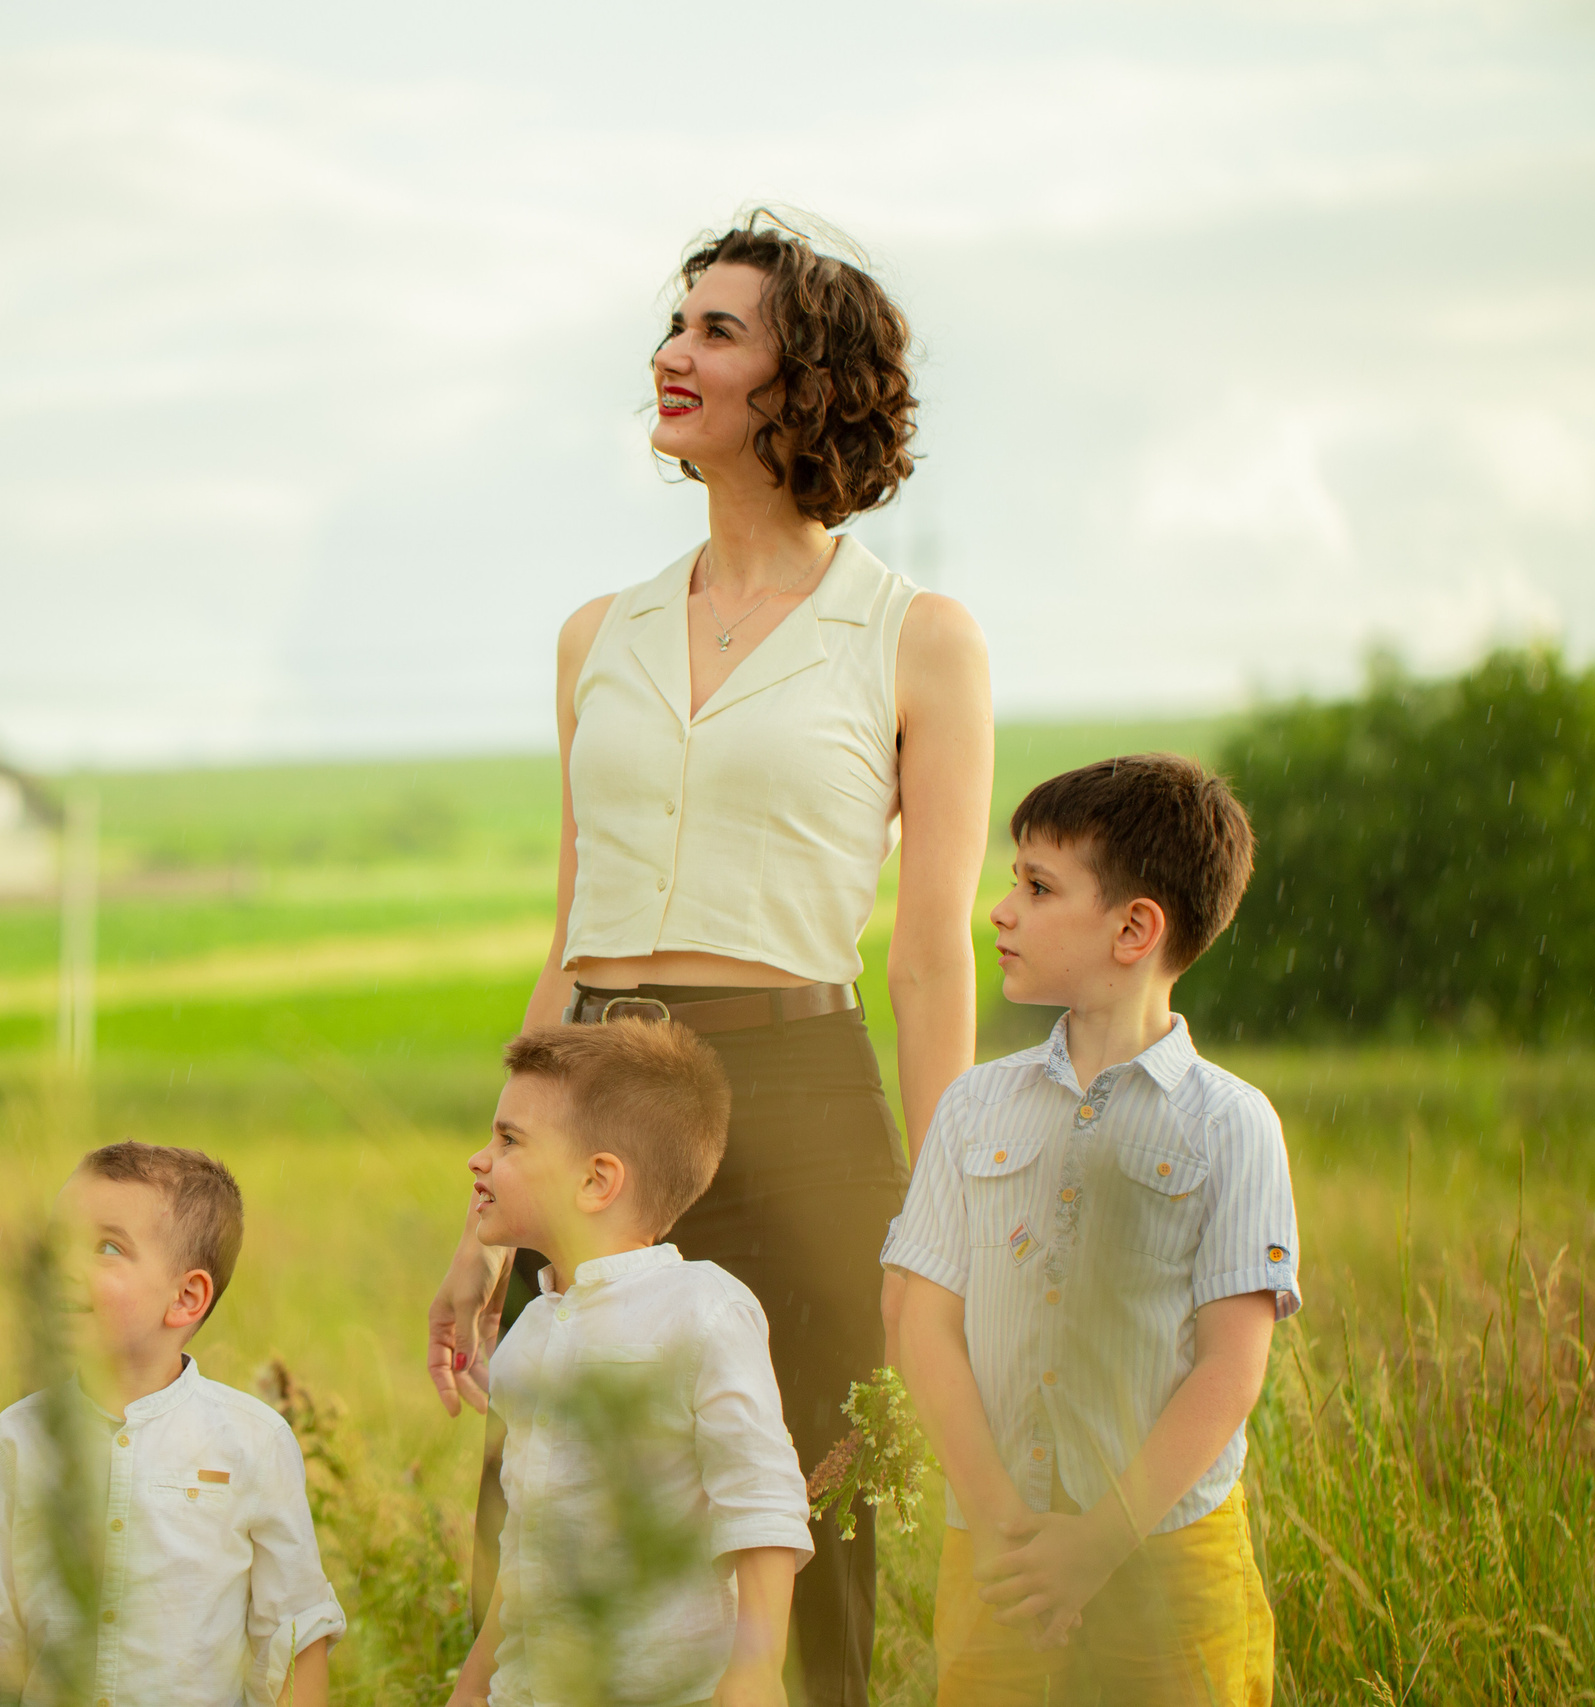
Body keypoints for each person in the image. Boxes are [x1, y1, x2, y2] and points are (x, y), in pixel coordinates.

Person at [427, 208, 993, 1707]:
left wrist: (940, 1223)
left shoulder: (918, 637)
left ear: (803, 383)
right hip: (596, 1090)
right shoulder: (593, 636)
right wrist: (490, 1207)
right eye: (675, 325)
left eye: (717, 331)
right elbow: (572, 930)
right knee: (548, 1515)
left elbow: (930, 958)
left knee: (804, 1517)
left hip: (801, 1099)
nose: (671, 353)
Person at [883, 755, 1298, 1705]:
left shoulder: (1230, 1123)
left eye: (1038, 887)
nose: (1001, 910)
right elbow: (922, 1323)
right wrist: (1002, 1526)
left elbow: (1230, 1369)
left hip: (1168, 1557)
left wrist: (1097, 1543)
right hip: (994, 1551)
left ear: (1133, 928)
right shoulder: (972, 1107)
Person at [445, 1022, 814, 1707]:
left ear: (596, 1180)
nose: (479, 1160)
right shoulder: (531, 1333)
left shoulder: (702, 1310)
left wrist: (756, 1673)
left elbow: (760, 1503)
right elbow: (527, 1537)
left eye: (509, 1141)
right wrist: (475, 1684)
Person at [0, 1143, 346, 1707]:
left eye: (107, 1247)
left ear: (186, 1298)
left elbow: (295, 1635)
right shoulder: (16, 1439)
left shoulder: (255, 1442)